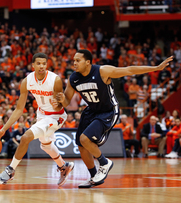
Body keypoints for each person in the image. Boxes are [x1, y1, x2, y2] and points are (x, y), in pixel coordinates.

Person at [52, 49, 172, 188]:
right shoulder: (74, 78)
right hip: (91, 111)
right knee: (80, 144)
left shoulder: (103, 71)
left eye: (78, 60)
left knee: (85, 139)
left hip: (108, 111)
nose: (74, 63)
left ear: (88, 62)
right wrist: (61, 99)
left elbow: (129, 70)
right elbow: (67, 101)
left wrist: (156, 68)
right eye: (74, 60)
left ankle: (104, 162)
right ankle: (94, 177)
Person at [0, 52, 74, 186]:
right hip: (41, 114)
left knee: (25, 137)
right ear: (33, 65)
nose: (41, 66)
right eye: (38, 63)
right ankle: (63, 166)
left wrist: (59, 102)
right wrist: (3, 129)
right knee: (46, 145)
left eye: (44, 63)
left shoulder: (55, 80)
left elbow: (61, 104)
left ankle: (10, 170)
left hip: (56, 116)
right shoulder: (27, 81)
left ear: (47, 65)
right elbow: (19, 109)